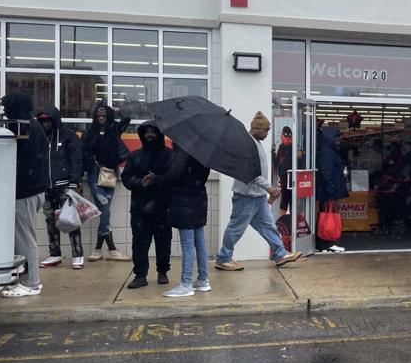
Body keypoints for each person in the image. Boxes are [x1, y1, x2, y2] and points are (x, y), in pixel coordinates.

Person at [214, 112, 302, 271]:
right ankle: (223, 258)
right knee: (236, 228)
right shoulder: (247, 144)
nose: (268, 134)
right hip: (246, 196)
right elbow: (251, 172)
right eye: (266, 131)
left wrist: (266, 190)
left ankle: (280, 254)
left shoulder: (254, 141)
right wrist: (268, 187)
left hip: (257, 196)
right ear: (256, 129)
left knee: (269, 227)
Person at [0, 93, 48, 298]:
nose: (4, 112)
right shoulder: (32, 125)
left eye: (6, 107)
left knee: (25, 238)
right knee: (22, 237)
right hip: (34, 189)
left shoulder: (25, 126)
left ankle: (31, 283)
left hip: (25, 191)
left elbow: (20, 158)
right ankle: (26, 280)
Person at [121, 122, 173, 289]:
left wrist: (157, 179)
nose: (149, 135)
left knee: (163, 241)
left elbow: (173, 178)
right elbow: (126, 178)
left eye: (153, 132)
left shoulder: (169, 155)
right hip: (140, 208)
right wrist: (141, 183)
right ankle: (140, 275)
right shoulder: (135, 155)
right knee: (140, 243)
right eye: (146, 133)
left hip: (162, 207)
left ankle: (162, 271)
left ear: (159, 134)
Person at [36, 107, 85, 270]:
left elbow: (77, 160)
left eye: (48, 120)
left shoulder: (69, 137)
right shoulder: (40, 139)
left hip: (65, 186)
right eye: (42, 121)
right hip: (46, 187)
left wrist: (74, 182)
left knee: (70, 220)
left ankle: (78, 255)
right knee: (50, 220)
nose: (45, 124)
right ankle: (54, 254)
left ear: (55, 120)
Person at [81, 103, 131, 262]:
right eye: (99, 115)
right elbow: (84, 153)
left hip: (111, 173)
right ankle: (112, 250)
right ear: (95, 116)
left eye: (104, 114)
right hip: (95, 174)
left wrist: (118, 110)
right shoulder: (89, 133)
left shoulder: (114, 129)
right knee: (104, 208)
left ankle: (98, 250)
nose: (101, 117)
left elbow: (127, 118)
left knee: (105, 210)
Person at [161, 147, 210, 297]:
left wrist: (157, 178)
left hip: (185, 202)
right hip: (199, 199)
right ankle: (203, 280)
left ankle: (186, 283)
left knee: (187, 244)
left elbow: (173, 176)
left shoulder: (183, 152)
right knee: (199, 242)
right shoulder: (204, 152)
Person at [315, 123, 348, 253]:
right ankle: (327, 242)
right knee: (328, 215)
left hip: (328, 189)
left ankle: (323, 243)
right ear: (330, 137)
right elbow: (326, 171)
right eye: (336, 137)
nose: (338, 140)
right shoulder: (327, 151)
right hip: (328, 190)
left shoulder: (327, 149)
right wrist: (331, 189)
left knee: (325, 214)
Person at [273, 126, 295, 216]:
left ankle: (282, 220)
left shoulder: (281, 147)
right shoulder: (293, 147)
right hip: (293, 175)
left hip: (283, 176)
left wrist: (272, 154)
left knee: (284, 198)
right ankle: (293, 219)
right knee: (292, 198)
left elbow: (277, 162)